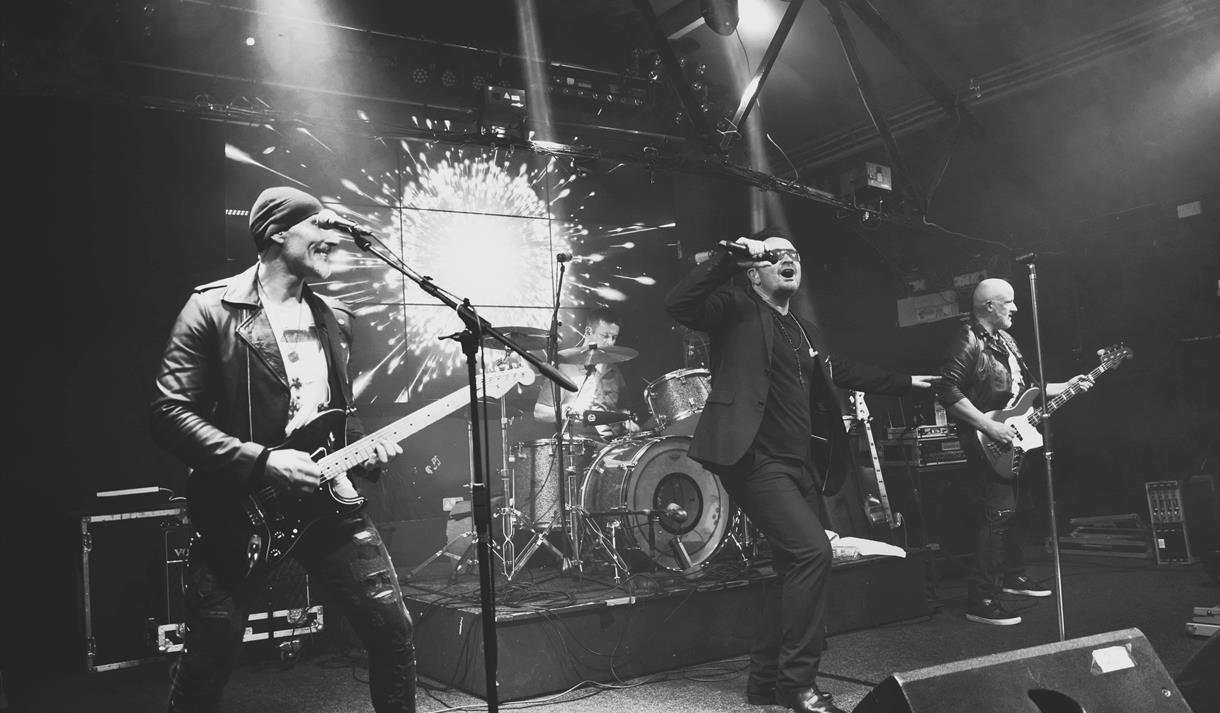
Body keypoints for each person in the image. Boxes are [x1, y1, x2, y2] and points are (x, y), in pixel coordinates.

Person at [149, 186, 416, 712]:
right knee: (209, 661)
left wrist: (363, 448)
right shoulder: (212, 309)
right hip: (238, 510)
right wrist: (263, 462)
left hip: (329, 508)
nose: (333, 239)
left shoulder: (337, 319)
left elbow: (333, 416)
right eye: (320, 225)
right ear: (277, 231)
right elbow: (168, 414)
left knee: (392, 631)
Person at [665, 229, 938, 713]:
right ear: (755, 273)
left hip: (800, 465)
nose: (788, 259)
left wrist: (904, 382)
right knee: (813, 553)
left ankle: (765, 682)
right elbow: (681, 305)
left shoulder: (805, 329)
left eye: (793, 253)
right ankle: (798, 686)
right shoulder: (736, 307)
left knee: (793, 567)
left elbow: (839, 371)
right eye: (774, 256)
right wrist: (730, 255)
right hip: (753, 460)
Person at [934, 277, 1093, 626]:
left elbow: (1027, 390)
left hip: (1012, 435)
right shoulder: (968, 338)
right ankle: (981, 597)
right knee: (999, 513)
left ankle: (1012, 575)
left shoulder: (1006, 340)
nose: (1016, 308)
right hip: (986, 437)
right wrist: (989, 426)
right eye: (1009, 302)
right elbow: (947, 390)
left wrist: (1067, 386)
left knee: (1011, 509)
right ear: (989, 306)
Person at [533, 307, 642, 441]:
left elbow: (624, 408)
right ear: (588, 332)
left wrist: (625, 419)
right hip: (580, 443)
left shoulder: (613, 370)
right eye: (605, 336)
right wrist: (565, 412)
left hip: (613, 444)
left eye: (614, 337)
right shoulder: (565, 367)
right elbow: (539, 412)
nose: (610, 342)